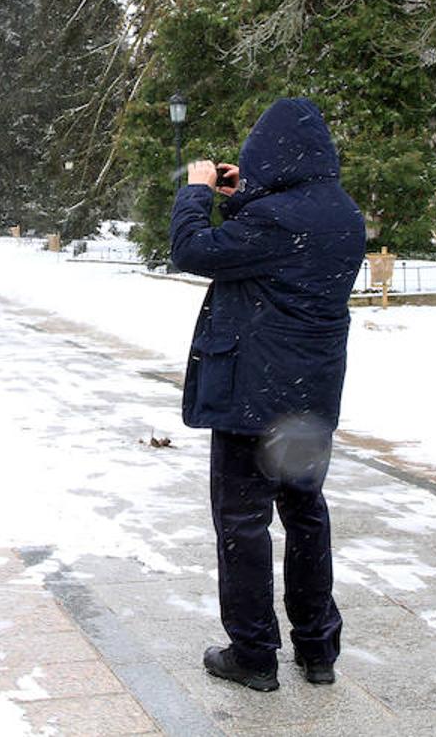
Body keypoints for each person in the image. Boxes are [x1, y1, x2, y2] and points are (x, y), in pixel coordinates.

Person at [169, 97, 365, 692]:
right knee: (306, 518)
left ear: (275, 157)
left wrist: (197, 192)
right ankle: (317, 649)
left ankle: (253, 653)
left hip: (252, 401)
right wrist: (243, 192)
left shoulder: (276, 222)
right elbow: (272, 236)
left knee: (243, 523)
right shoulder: (341, 213)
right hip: (308, 402)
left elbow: (193, 250)